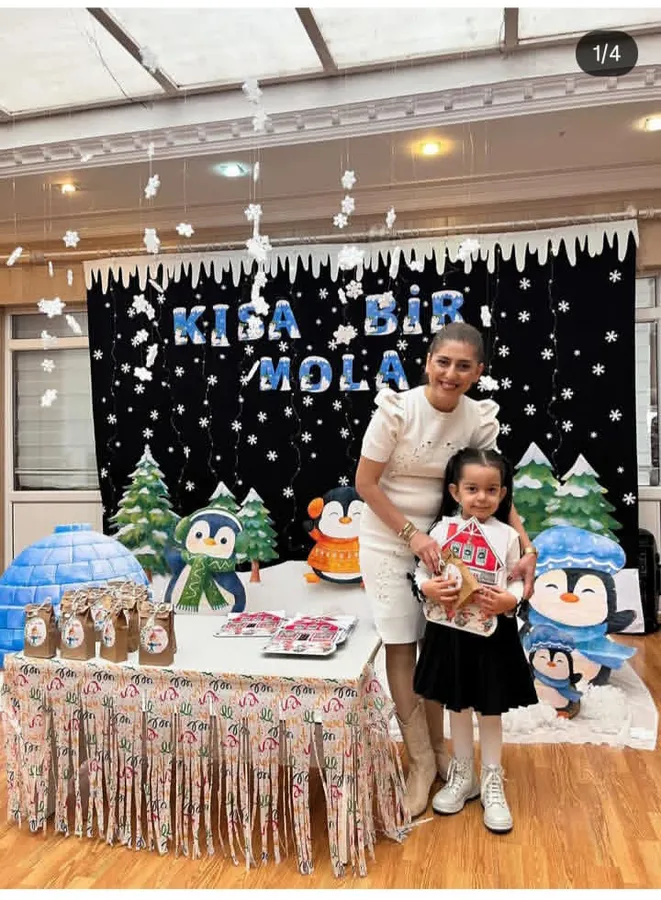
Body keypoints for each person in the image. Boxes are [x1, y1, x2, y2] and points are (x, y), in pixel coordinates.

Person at [355, 322, 537, 818]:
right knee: (401, 642)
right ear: (428, 362)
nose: (450, 374)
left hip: (452, 543)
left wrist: (526, 545)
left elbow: (497, 490)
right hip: (389, 538)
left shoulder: (479, 418)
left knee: (440, 642)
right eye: (443, 362)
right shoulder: (396, 410)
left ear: (478, 372)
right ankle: (420, 762)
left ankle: (445, 755)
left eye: (463, 366)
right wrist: (411, 537)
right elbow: (365, 484)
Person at [412, 447, 538, 832]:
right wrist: (427, 587)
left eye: (491, 489)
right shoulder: (441, 531)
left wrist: (511, 599)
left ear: (503, 494)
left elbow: (516, 578)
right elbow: (422, 572)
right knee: (457, 703)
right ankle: (463, 774)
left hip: (491, 635)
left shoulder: (507, 536)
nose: (481, 497)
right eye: (472, 489)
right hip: (450, 633)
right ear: (455, 491)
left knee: (490, 708)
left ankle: (491, 778)